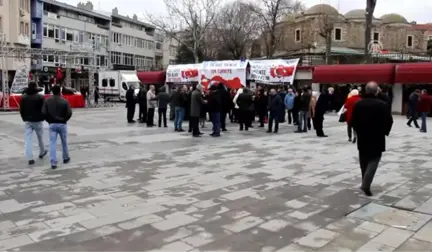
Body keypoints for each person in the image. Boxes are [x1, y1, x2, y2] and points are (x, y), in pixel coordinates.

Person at [351, 81, 393, 196]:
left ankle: (365, 182)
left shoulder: (359, 104)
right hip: (377, 137)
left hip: (363, 136)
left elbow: (353, 121)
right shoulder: (382, 105)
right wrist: (384, 132)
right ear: (376, 91)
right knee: (374, 159)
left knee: (363, 160)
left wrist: (358, 131)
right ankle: (366, 184)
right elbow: (389, 121)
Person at [42, 85, 72, 169]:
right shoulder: (65, 101)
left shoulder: (47, 101)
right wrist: (64, 119)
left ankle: (53, 162)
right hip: (62, 124)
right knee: (64, 142)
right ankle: (65, 158)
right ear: (60, 91)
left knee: (52, 143)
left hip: (52, 124)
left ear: (52, 91)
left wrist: (49, 120)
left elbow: (43, 113)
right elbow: (69, 113)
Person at [20, 81, 47, 165]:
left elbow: (21, 110)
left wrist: (24, 118)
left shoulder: (24, 98)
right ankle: (42, 151)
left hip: (28, 120)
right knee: (40, 137)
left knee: (28, 139)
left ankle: (29, 157)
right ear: (35, 87)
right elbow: (44, 109)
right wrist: (43, 117)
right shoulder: (41, 97)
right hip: (38, 120)